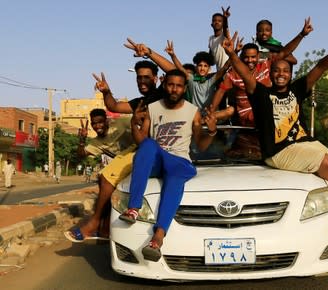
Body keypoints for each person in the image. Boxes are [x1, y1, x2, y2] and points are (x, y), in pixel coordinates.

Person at [222, 23, 328, 221]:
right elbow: (246, 74)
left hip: (303, 143)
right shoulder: (261, 93)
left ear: (290, 74)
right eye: (276, 71)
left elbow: (321, 66)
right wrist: (232, 54)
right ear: (270, 75)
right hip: (278, 151)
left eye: (285, 71)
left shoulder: (297, 89)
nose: (281, 74)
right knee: (323, 161)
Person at [118, 69, 218, 262]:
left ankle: (158, 238)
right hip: (158, 161)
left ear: (184, 88)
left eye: (179, 86)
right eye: (171, 84)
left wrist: (211, 132)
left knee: (174, 180)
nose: (174, 89)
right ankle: (133, 208)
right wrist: (133, 125)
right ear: (164, 85)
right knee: (148, 144)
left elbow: (200, 144)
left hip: (179, 161)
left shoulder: (192, 111)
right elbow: (143, 143)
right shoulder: (153, 108)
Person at [64, 60, 161, 242]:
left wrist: (150, 53)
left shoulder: (164, 94)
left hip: (161, 147)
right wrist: (106, 92)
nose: (142, 81)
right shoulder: (139, 103)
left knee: (109, 178)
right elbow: (114, 106)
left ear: (156, 78)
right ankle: (100, 225)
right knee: (105, 178)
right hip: (141, 148)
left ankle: (97, 224)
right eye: (138, 78)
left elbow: (177, 74)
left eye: (146, 77)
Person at [211, 18, 313, 159]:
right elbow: (221, 90)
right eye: (246, 57)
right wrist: (212, 108)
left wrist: (302, 34)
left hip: (271, 115)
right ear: (241, 57)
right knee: (225, 113)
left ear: (258, 57)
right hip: (249, 118)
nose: (250, 60)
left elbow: (284, 53)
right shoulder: (233, 73)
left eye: (253, 57)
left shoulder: (266, 66)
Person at [208, 6, 231, 71]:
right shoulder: (211, 39)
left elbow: (226, 29)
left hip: (229, 70)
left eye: (220, 21)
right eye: (214, 21)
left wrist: (225, 19)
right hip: (220, 72)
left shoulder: (224, 35)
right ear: (211, 24)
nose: (217, 22)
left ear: (223, 24)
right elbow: (211, 60)